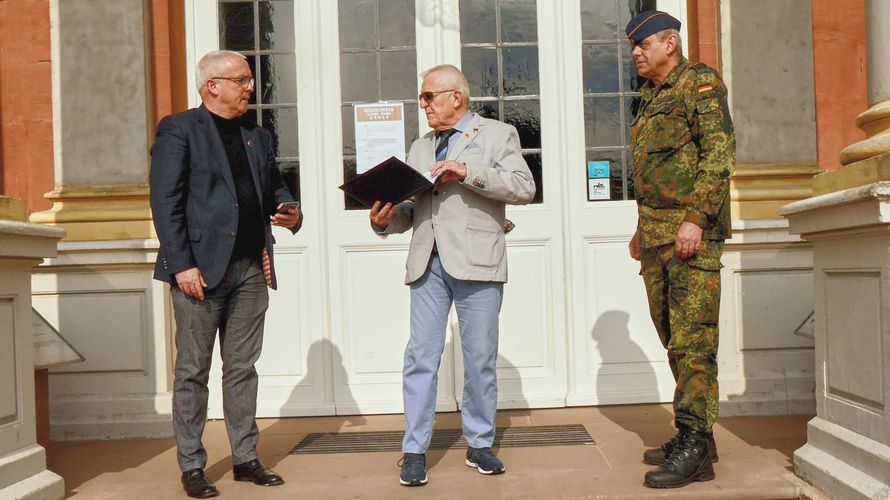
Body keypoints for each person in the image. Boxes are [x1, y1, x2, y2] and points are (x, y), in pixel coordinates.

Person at [369, 64, 535, 486]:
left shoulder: (497, 134)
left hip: (478, 260)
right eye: (422, 98)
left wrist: (468, 173)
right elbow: (412, 211)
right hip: (428, 262)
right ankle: (413, 449)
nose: (422, 104)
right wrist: (387, 219)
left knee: (479, 358)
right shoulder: (420, 146)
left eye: (428, 97)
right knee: (420, 357)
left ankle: (479, 442)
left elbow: (523, 186)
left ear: (455, 97)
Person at [150, 50, 303, 498]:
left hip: (251, 269)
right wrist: (181, 264)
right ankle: (193, 465)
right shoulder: (180, 129)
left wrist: (291, 211)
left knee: (242, 368)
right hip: (200, 270)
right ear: (212, 85)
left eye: (250, 80)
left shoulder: (257, 134)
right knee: (193, 371)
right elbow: (166, 201)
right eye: (242, 80)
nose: (250, 87)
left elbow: (273, 185)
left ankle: (245, 458)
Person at [624, 10, 735, 489]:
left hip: (691, 235)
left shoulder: (700, 85)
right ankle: (697, 436)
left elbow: (719, 154)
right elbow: (653, 174)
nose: (635, 52)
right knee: (673, 337)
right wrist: (640, 229)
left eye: (643, 44)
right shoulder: (649, 98)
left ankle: (694, 443)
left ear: (670, 43)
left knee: (694, 344)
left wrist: (696, 218)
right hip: (656, 236)